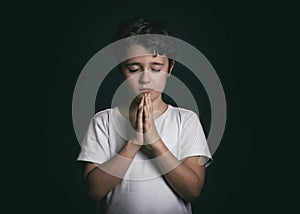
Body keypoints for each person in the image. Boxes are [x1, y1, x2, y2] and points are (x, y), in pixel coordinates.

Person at [77, 17, 212, 214]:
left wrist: (155, 143)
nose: (146, 78)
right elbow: (93, 190)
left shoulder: (186, 121)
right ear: (121, 69)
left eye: (156, 68)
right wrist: (133, 143)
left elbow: (192, 191)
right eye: (134, 69)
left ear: (169, 69)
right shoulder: (103, 122)